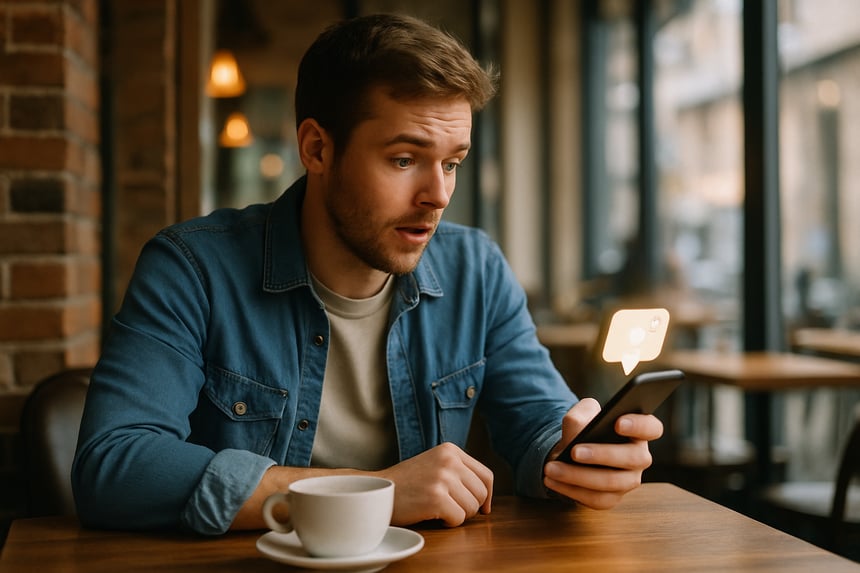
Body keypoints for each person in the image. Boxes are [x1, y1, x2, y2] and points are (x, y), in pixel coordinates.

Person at [72, 13, 663, 535]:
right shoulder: (192, 267)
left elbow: (539, 426)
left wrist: (576, 460)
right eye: (404, 160)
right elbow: (115, 466)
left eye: (452, 163)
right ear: (317, 149)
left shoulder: (475, 268)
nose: (438, 195)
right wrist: (371, 493)